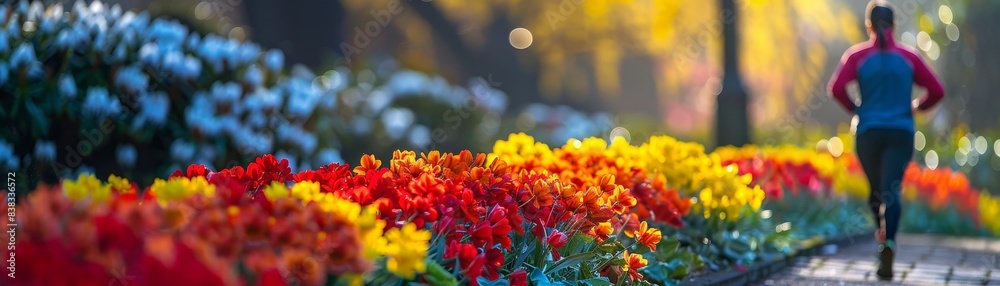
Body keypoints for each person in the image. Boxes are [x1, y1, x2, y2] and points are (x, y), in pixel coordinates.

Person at [827, 0, 945, 281]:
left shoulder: (856, 56)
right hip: (901, 132)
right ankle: (889, 241)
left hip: (868, 132)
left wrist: (857, 107)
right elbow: (937, 90)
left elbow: (835, 88)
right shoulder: (909, 57)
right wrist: (916, 106)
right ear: (894, 25)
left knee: (875, 191)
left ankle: (882, 238)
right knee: (891, 190)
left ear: (868, 26)